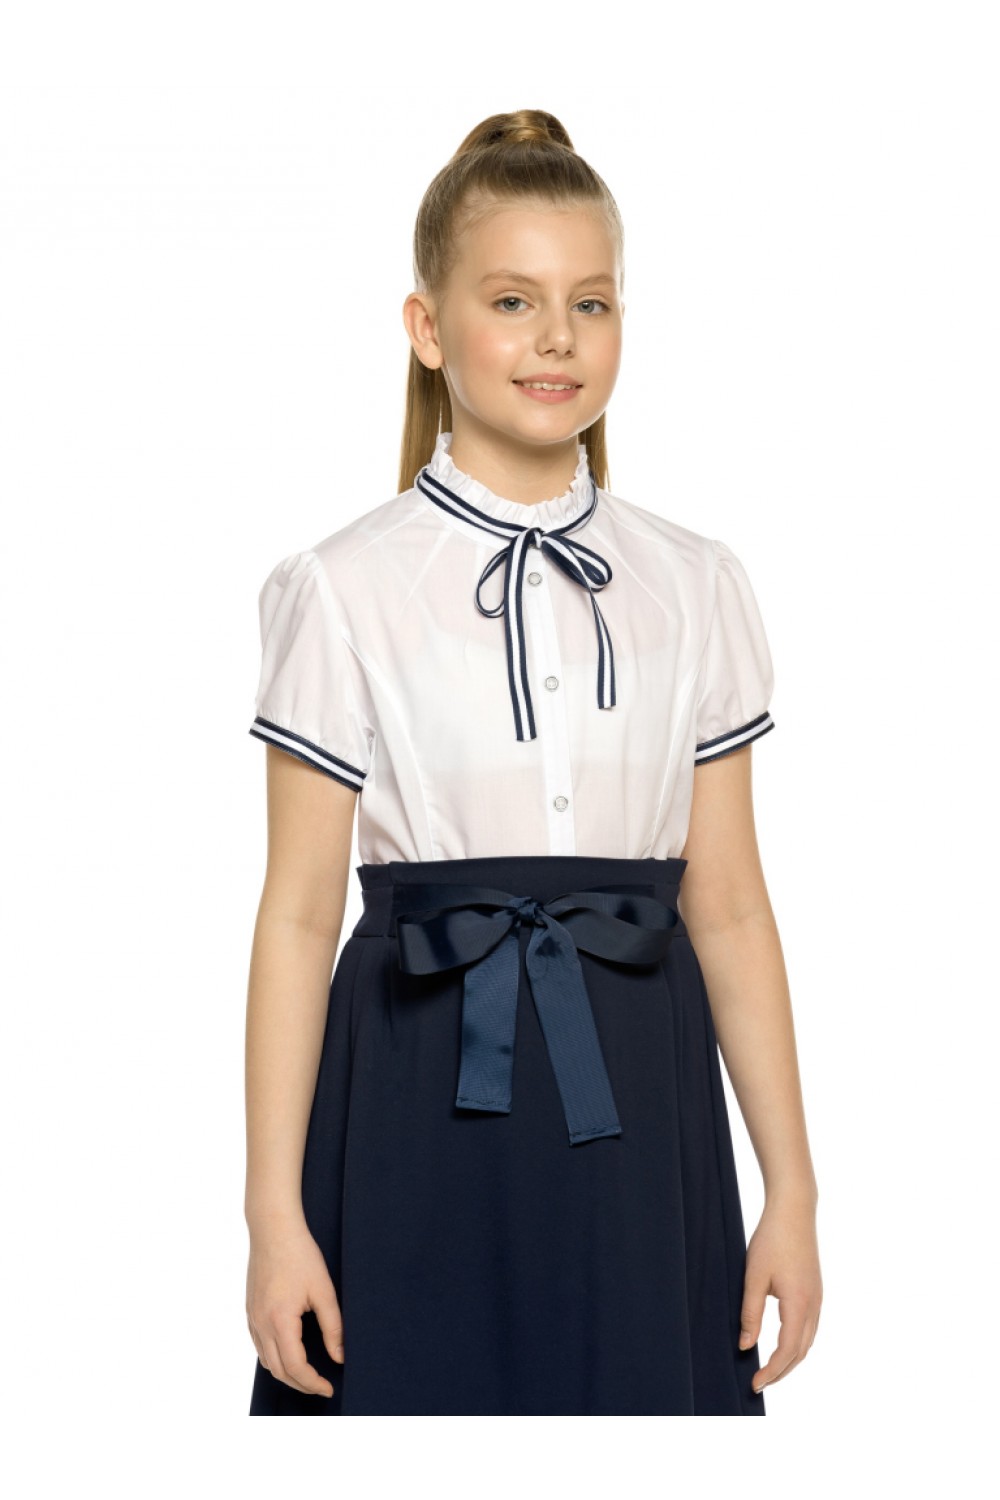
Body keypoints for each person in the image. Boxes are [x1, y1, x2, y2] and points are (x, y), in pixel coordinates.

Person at [243, 108, 822, 1417]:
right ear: (428, 328)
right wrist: (274, 1216)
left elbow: (730, 903)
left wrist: (790, 1187)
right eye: (513, 301)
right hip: (410, 1082)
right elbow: (296, 916)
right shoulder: (341, 586)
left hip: (642, 1092)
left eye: (590, 303)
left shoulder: (695, 582)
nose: (557, 337)